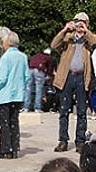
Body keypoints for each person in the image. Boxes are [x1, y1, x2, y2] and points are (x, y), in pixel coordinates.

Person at [51, 13, 96, 154]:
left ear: (87, 24)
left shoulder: (89, 41)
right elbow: (53, 45)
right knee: (64, 111)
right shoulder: (68, 39)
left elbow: (95, 41)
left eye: (82, 22)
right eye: (77, 22)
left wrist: (86, 32)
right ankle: (63, 141)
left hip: (83, 78)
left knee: (82, 111)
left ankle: (80, 142)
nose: (79, 25)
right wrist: (65, 30)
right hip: (67, 77)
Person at [0, 32, 29, 159]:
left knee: (3, 123)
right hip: (17, 96)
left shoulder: (6, 58)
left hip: (4, 96)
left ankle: (5, 150)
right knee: (14, 122)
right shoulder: (23, 57)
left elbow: (1, 78)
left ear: (7, 43)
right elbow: (26, 76)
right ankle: (14, 148)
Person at [23, 48, 53, 112]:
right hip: (39, 70)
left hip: (30, 69)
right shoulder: (48, 57)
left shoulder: (36, 55)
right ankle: (37, 107)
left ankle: (26, 107)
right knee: (39, 89)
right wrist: (49, 75)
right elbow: (49, 68)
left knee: (28, 88)